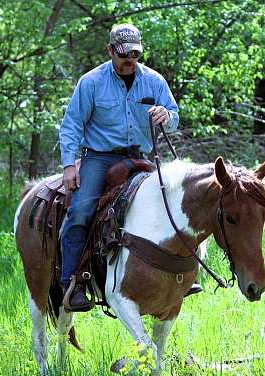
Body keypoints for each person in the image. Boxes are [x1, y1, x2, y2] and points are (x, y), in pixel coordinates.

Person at [58, 23, 183, 311]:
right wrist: (69, 165)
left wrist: (166, 115)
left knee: (167, 202)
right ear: (110, 50)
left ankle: (172, 278)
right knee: (81, 210)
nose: (130, 60)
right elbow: (71, 125)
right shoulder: (91, 82)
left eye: (135, 54)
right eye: (124, 54)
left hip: (139, 156)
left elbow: (175, 117)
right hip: (99, 157)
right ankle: (71, 281)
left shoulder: (154, 81)